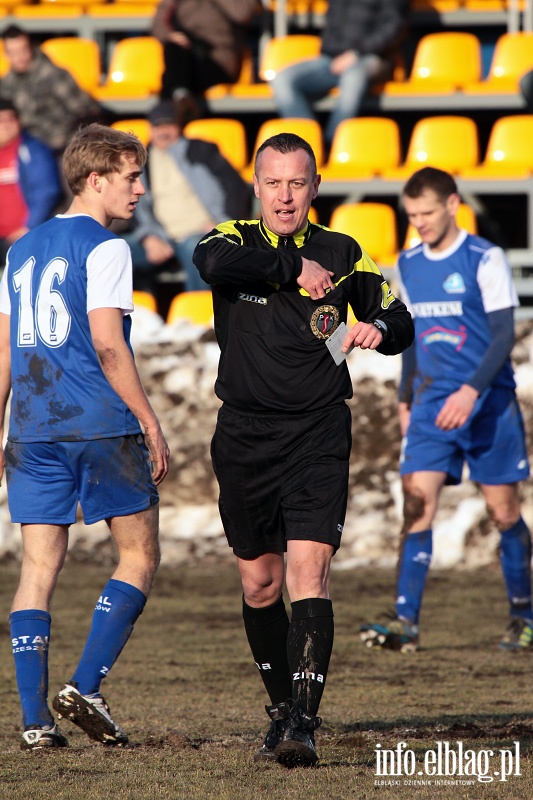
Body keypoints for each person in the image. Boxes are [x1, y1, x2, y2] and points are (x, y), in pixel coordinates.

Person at [193, 132, 414, 768]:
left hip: (318, 430)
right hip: (243, 434)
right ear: (256, 187)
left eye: (297, 183)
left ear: (314, 188)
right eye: (274, 183)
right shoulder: (229, 239)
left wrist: (379, 328)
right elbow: (209, 267)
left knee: (308, 573)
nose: (285, 196)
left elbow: (400, 318)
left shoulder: (343, 251)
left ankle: (303, 726)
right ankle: (280, 709)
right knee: (260, 584)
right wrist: (291, 268)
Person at [0, 123, 170, 750]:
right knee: (139, 555)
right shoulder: (106, 247)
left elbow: (2, 348)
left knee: (38, 566)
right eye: (130, 178)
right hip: (97, 422)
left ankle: (34, 722)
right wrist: (149, 421)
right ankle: (86, 686)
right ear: (95, 179)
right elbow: (106, 342)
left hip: (33, 428)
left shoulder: (19, 249)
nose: (139, 189)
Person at [359, 166, 532, 654]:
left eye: (428, 213)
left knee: (504, 512)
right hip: (433, 403)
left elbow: (503, 334)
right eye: (412, 216)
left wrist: (472, 391)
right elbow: (409, 335)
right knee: (416, 504)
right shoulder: (409, 262)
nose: (420, 224)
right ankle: (405, 621)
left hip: (487, 402)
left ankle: (524, 615)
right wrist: (405, 397)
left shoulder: (484, 258)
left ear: (453, 204)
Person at [124, 99, 250, 293]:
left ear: (179, 126)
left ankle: (200, 319)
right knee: (114, 251)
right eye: (158, 126)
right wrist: (148, 237)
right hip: (162, 237)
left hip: (200, 232)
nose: (163, 131)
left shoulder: (200, 150)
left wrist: (222, 223)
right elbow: (133, 202)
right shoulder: (141, 161)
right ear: (150, 128)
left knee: (198, 251)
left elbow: (235, 187)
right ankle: (137, 317)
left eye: (169, 125)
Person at [271, 0, 410, 146]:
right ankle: (307, 145)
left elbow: (395, 27)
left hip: (373, 56)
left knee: (353, 76)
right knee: (283, 79)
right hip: (331, 59)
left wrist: (357, 53)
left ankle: (333, 143)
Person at [0, 25, 103, 155]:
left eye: (23, 50)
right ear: (6, 54)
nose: (20, 57)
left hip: (61, 147)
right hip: (26, 149)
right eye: (13, 53)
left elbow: (86, 111)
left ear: (31, 47)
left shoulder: (54, 75)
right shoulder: (6, 83)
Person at [152, 0, 258, 114]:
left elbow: (242, 13)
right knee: (174, 48)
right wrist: (170, 36)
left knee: (172, 82)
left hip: (218, 60)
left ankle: (170, 110)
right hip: (184, 55)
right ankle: (181, 98)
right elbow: (158, 22)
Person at [0, 98, 63, 268]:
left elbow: (46, 191)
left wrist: (29, 227)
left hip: (25, 236)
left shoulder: (32, 151)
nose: (6, 125)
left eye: (11, 119)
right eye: (1, 120)